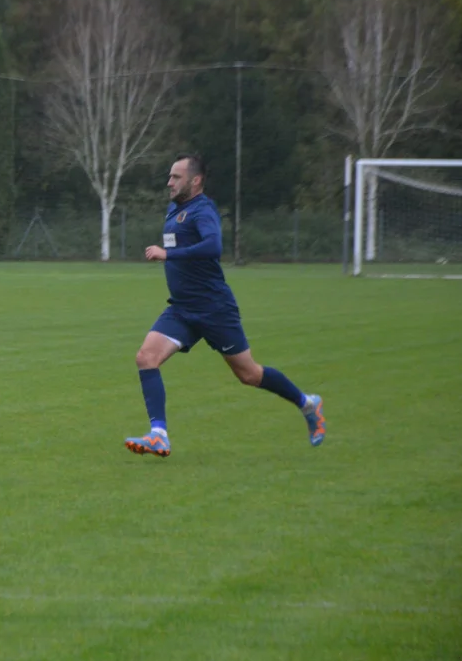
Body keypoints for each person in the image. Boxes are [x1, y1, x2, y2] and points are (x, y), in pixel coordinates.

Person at [124, 153, 325, 458]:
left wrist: (168, 255)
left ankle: (308, 403)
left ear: (196, 181)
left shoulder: (203, 210)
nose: (169, 182)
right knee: (146, 357)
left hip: (214, 309)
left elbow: (213, 247)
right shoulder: (174, 209)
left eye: (176, 177)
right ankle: (159, 435)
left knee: (249, 375)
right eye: (169, 176)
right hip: (181, 309)